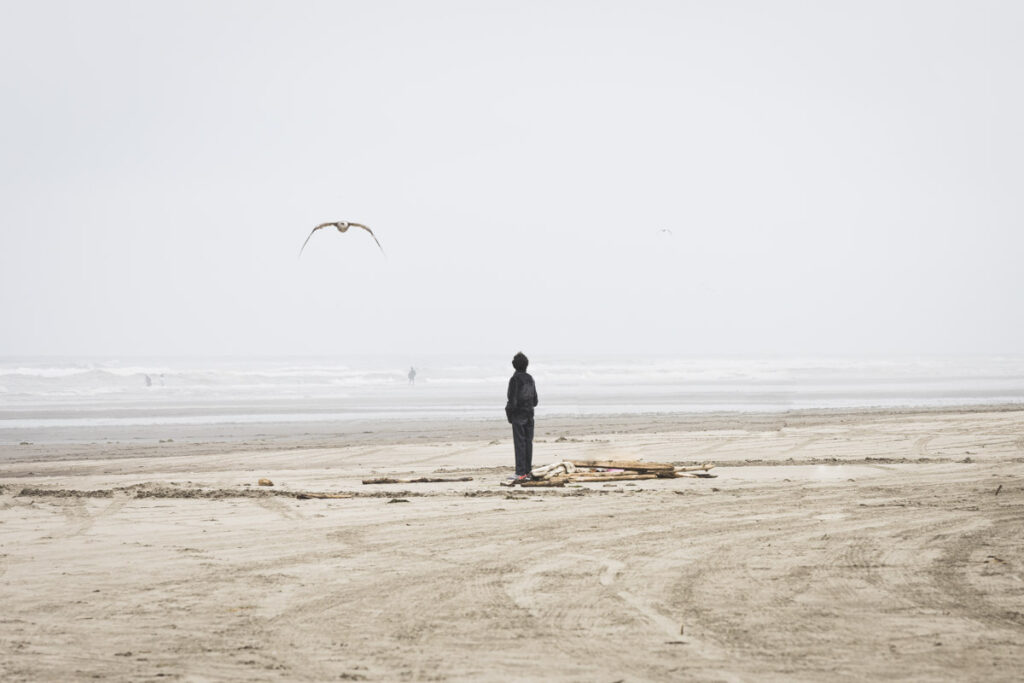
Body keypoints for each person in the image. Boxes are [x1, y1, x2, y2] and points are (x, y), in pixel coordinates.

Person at [505, 352, 538, 482]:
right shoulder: (530, 378)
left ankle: (520, 472)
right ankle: (527, 471)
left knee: (520, 443)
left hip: (519, 415)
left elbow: (512, 401)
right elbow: (535, 401)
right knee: (528, 443)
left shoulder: (515, 379)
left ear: (514, 365)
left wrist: (509, 414)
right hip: (530, 414)